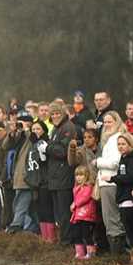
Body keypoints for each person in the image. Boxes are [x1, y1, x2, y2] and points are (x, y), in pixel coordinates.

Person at [93, 112, 128, 254]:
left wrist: (98, 162)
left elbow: (115, 162)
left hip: (110, 182)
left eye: (110, 122)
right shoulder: (110, 138)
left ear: (117, 122)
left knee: (111, 217)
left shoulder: (115, 140)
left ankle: (117, 253)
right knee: (111, 217)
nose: (106, 125)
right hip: (107, 182)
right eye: (105, 122)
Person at [106, 132, 133, 256]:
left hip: (130, 196)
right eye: (119, 144)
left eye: (123, 144)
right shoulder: (124, 157)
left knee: (130, 224)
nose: (120, 146)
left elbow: (131, 177)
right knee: (127, 225)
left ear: (130, 144)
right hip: (122, 195)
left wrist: (113, 178)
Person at [46, 101, 78, 243]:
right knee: (59, 212)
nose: (55, 116)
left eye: (58, 113)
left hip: (64, 175)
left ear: (63, 113)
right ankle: (63, 239)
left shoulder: (68, 127)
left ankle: (67, 240)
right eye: (52, 114)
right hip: (55, 176)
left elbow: (63, 151)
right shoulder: (54, 129)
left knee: (65, 211)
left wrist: (47, 148)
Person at [69, 165, 97, 259]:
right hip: (78, 215)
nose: (78, 177)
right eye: (77, 175)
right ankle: (79, 252)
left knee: (86, 234)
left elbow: (84, 198)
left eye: (81, 175)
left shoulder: (88, 187)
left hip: (86, 215)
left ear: (86, 176)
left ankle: (91, 253)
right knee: (77, 234)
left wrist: (75, 204)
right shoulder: (76, 187)